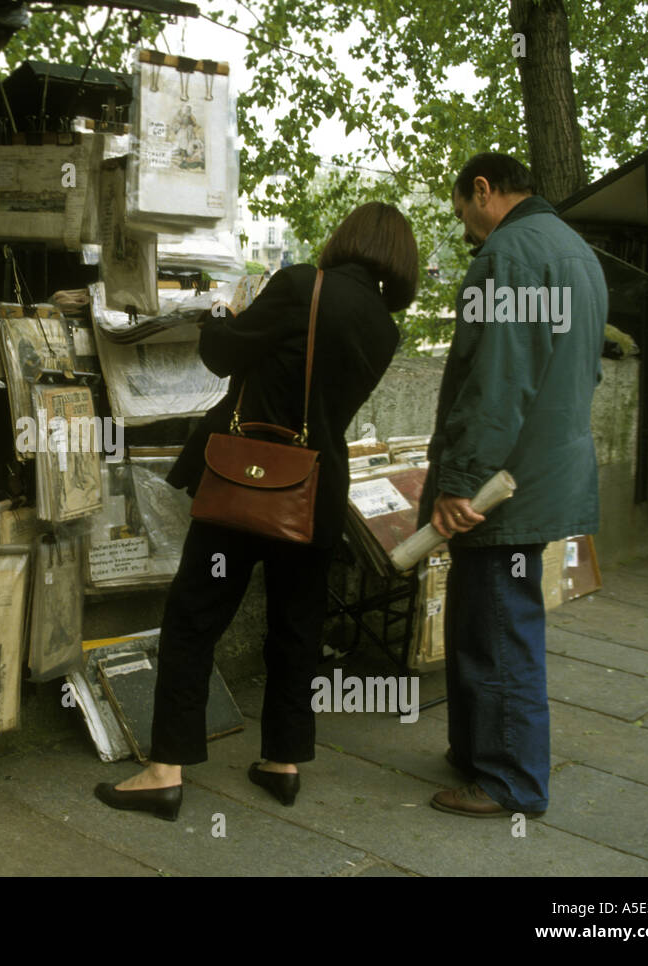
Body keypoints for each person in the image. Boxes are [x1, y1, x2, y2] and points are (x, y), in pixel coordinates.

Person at [93, 202, 420, 821]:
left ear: (346, 237)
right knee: (297, 628)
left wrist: (223, 314)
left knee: (195, 617)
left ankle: (165, 770)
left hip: (248, 485)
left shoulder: (301, 284)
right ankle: (283, 761)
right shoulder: (384, 325)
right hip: (315, 494)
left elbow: (223, 354)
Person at [422, 153, 605, 818]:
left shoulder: (509, 253)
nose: (468, 231)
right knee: (486, 617)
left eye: (463, 216)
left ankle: (509, 781)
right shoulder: (575, 251)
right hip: (542, 471)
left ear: (482, 191)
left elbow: (497, 380)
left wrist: (461, 482)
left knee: (500, 627)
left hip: (503, 483)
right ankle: (478, 754)